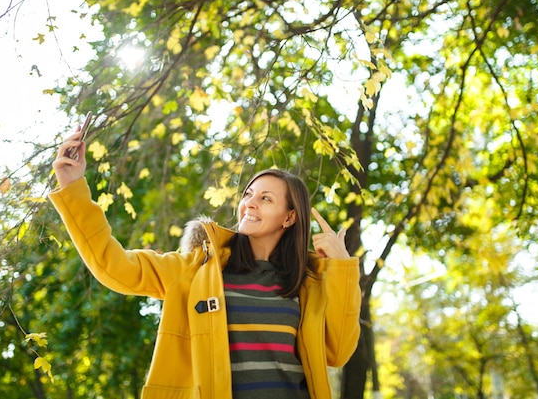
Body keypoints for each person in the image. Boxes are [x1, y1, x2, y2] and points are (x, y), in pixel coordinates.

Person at [49, 125, 362, 399]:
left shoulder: (306, 283)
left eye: (266, 198)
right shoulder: (195, 269)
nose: (250, 202)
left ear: (290, 217)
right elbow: (113, 266)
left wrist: (342, 267)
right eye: (248, 194)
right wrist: (73, 187)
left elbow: (337, 351)